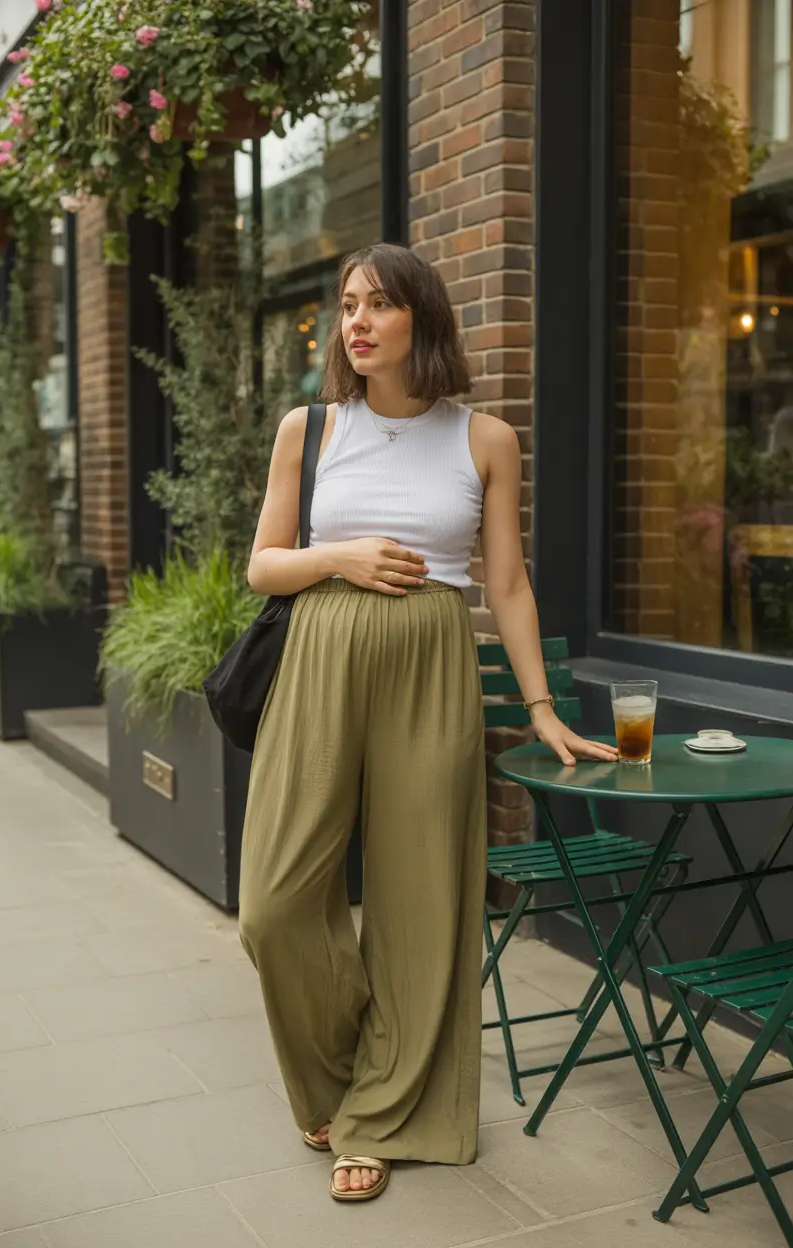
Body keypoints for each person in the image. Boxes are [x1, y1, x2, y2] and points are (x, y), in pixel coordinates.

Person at [238, 243, 618, 1203]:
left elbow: (508, 583)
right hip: (320, 658)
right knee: (275, 903)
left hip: (434, 666)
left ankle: (383, 1110)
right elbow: (264, 566)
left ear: (424, 319)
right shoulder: (310, 428)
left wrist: (542, 708)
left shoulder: (484, 439)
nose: (355, 322)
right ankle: (352, 1065)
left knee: (420, 903)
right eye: (348, 305)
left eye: (379, 305)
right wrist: (344, 557)